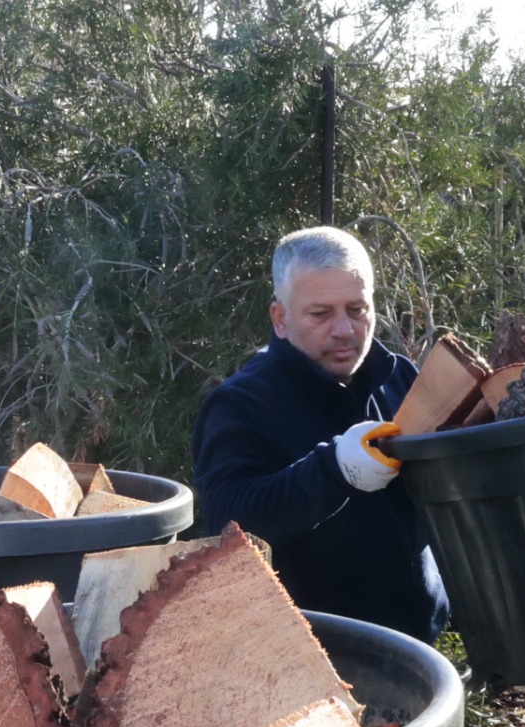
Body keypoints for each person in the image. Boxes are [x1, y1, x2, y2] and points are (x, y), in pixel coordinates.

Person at [191, 226, 448, 639]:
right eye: (320, 314)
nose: (344, 329)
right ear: (280, 319)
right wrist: (335, 471)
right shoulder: (239, 404)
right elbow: (227, 524)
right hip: (316, 654)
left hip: (420, 646)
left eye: (357, 309)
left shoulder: (399, 377)